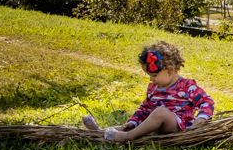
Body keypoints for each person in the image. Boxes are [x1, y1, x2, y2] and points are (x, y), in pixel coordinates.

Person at [82, 41, 215, 142]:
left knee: (160, 112)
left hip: (177, 126)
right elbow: (145, 108)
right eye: (149, 75)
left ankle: (127, 137)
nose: (151, 79)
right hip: (155, 125)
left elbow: (207, 102)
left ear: (169, 70)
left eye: (154, 75)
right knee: (128, 125)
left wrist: (201, 119)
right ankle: (101, 132)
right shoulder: (153, 88)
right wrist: (133, 121)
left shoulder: (187, 86)